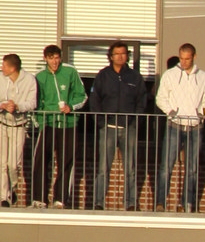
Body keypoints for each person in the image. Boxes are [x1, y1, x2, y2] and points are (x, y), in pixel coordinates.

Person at [89, 43, 148, 210]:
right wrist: (101, 122)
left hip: (129, 128)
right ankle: (99, 202)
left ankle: (130, 203)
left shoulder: (135, 77)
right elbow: (95, 100)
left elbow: (142, 100)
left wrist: (135, 121)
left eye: (124, 53)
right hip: (108, 128)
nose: (121, 56)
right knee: (103, 168)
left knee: (130, 168)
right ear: (111, 56)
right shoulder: (103, 76)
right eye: (117, 53)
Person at [155, 41, 205, 212]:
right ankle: (161, 202)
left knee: (192, 168)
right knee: (166, 166)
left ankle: (186, 203)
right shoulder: (170, 75)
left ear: (194, 57)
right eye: (181, 58)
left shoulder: (203, 76)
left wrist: (201, 114)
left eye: (187, 59)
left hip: (195, 127)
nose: (184, 62)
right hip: (174, 125)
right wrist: (171, 112)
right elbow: (160, 98)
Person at [31, 43, 87, 208]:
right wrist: (39, 122)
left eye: (57, 58)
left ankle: (60, 199)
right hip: (48, 123)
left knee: (66, 161)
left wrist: (71, 107)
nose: (54, 62)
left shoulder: (70, 71)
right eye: (51, 58)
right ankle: (39, 199)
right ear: (45, 59)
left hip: (68, 124)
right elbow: (36, 102)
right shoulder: (40, 76)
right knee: (41, 160)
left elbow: (82, 96)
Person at [0, 52, 35, 206]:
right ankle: (4, 197)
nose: (2, 68)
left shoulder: (29, 80)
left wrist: (18, 106)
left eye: (4, 65)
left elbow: (32, 103)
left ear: (13, 68)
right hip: (2, 124)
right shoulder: (1, 78)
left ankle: (12, 187)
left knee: (13, 164)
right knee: (2, 163)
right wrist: (3, 105)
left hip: (19, 126)